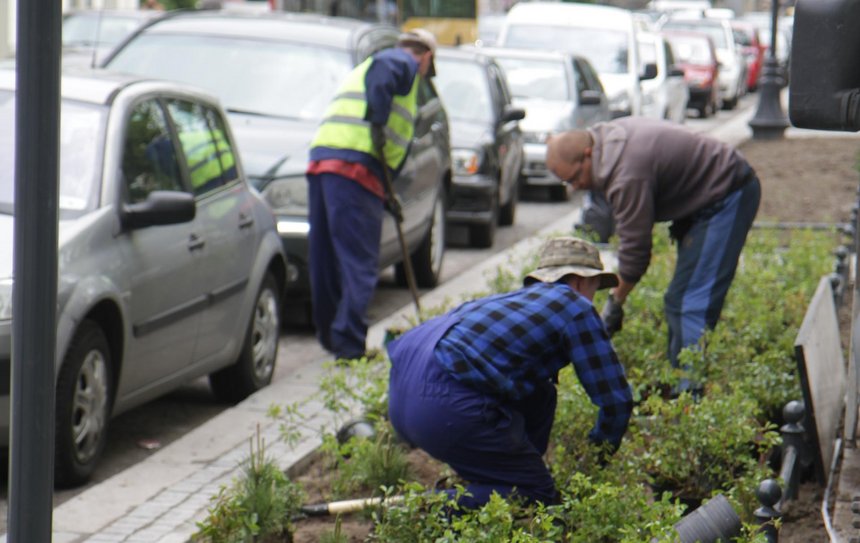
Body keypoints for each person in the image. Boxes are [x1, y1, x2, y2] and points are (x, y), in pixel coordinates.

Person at [387, 237, 633, 508]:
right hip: (443, 407)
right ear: (579, 282)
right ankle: (428, 508)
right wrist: (595, 459)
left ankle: (503, 475)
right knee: (536, 492)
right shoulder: (574, 305)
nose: (593, 299)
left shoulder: (505, 304)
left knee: (542, 393)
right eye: (595, 288)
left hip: (403, 401)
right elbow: (616, 401)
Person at [546, 117, 761, 391]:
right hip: (705, 196)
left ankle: (688, 402)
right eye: (568, 182)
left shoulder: (626, 174)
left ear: (587, 155)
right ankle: (677, 379)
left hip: (727, 194)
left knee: (689, 304)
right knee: (678, 299)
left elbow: (635, 255)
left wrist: (614, 303)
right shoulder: (605, 142)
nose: (575, 187)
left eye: (575, 177)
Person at [306, 29, 437, 360]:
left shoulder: (367, 70)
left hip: (325, 162)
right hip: (356, 169)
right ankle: (349, 345)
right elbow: (384, 73)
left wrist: (388, 194)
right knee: (360, 263)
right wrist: (377, 122)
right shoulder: (402, 61)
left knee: (326, 257)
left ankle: (331, 336)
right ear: (426, 58)